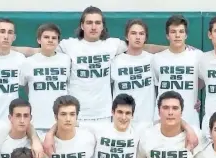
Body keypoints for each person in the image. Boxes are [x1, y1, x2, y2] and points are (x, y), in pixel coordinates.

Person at [10, 6, 168, 129]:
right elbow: (35, 51)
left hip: (104, 115)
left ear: (102, 26)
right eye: (89, 22)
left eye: (97, 23)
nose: (93, 26)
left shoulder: (113, 45)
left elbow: (143, 46)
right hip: (76, 116)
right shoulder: (69, 45)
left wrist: (176, 48)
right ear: (82, 25)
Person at [151, 15, 203, 128]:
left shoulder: (197, 56)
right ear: (167, 35)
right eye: (173, 32)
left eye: (181, 31)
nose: (177, 35)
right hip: (163, 117)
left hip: (190, 116)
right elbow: (156, 86)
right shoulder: (157, 58)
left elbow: (203, 80)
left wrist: (193, 96)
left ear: (186, 34)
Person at [19, 24, 71, 134]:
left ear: (58, 41)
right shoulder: (28, 62)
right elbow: (24, 86)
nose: (50, 40)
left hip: (61, 122)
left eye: (54, 38)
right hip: (37, 122)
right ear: (39, 40)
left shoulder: (66, 60)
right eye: (46, 37)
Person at [110, 19, 155, 124]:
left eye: (141, 34)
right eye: (133, 33)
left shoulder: (153, 60)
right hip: (122, 120)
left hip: (146, 121)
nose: (138, 37)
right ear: (126, 36)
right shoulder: (115, 61)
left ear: (145, 37)